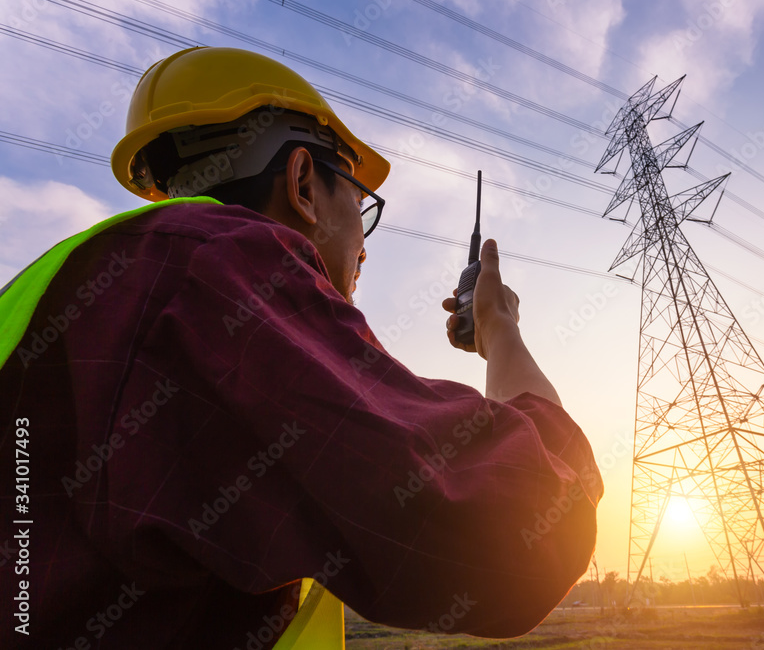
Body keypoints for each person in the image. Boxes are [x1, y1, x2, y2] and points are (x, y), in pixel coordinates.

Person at [0, 47, 602, 649]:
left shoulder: (55, 293)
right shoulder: (224, 266)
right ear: (303, 184)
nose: (365, 249)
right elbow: (522, 529)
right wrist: (501, 331)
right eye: (361, 205)